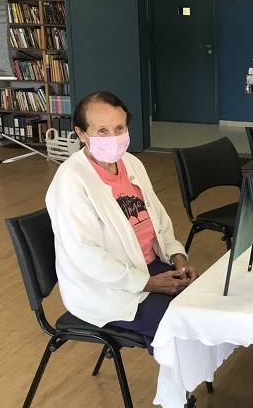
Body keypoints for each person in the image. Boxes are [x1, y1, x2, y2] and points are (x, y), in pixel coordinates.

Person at [46, 91, 198, 352]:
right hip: (105, 290)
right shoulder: (71, 180)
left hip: (149, 268)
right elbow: (86, 256)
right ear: (81, 134)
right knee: (181, 325)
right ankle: (173, 392)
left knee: (204, 306)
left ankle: (185, 378)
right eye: (102, 131)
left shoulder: (131, 163)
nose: (113, 138)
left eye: (119, 128)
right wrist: (148, 283)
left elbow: (158, 219)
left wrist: (177, 258)